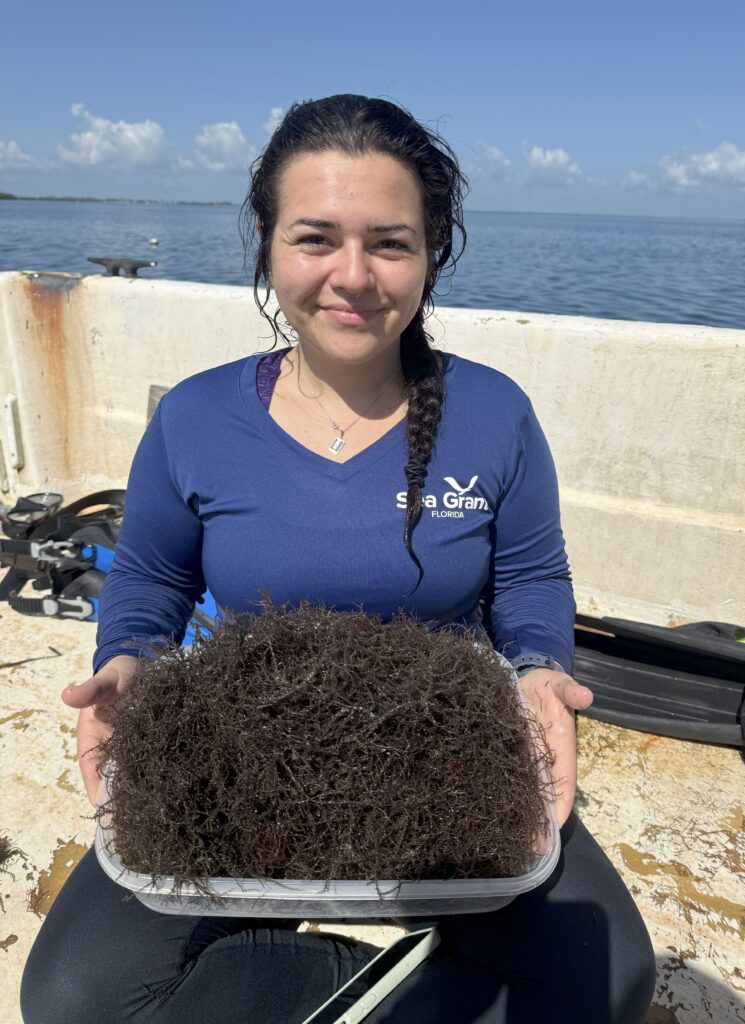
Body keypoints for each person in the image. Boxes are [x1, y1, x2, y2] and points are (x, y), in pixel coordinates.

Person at [21, 94, 656, 1024]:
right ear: (269, 244)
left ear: (432, 251)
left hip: (449, 746)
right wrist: (127, 661)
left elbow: (529, 577)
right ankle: (333, 985)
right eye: (315, 237)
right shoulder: (195, 419)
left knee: (605, 979)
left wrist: (538, 668)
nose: (353, 276)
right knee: (74, 999)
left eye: (390, 242)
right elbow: (153, 579)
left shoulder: (495, 414)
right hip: (237, 740)